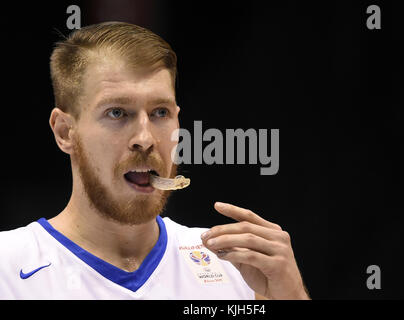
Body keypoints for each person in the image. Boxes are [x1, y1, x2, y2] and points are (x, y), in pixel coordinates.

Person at [0, 22, 310, 300]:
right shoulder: (8, 268)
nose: (145, 138)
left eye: (160, 112)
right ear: (65, 132)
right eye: (117, 113)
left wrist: (291, 295)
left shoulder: (235, 268)